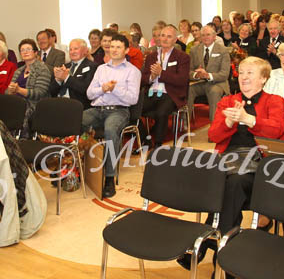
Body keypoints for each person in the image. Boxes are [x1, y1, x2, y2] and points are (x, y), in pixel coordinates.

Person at [177, 56, 284, 271]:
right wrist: (228, 121)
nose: (244, 77)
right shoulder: (228, 101)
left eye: (250, 73)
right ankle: (225, 259)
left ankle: (212, 245)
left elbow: (277, 130)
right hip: (230, 161)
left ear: (263, 78)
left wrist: (249, 119)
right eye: (242, 72)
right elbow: (214, 135)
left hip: (262, 165)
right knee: (230, 183)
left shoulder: (275, 101)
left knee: (232, 183)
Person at [82, 33, 141, 198]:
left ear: (126, 50)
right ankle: (76, 166)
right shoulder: (101, 69)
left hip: (119, 110)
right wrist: (103, 89)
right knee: (75, 121)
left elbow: (132, 98)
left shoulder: (132, 72)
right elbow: (89, 94)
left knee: (110, 130)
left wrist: (115, 89)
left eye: (118, 47)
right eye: (111, 46)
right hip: (98, 108)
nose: (114, 50)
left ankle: (109, 177)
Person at [141, 25, 190, 148]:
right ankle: (145, 140)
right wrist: (152, 77)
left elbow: (181, 80)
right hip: (152, 92)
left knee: (161, 112)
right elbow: (142, 79)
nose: (165, 39)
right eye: (163, 35)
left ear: (175, 40)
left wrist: (161, 73)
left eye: (169, 36)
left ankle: (158, 145)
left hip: (171, 94)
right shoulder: (151, 57)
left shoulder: (182, 57)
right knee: (132, 110)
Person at [187, 25, 232, 122]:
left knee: (214, 92)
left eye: (208, 35)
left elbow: (225, 74)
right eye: (203, 35)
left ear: (214, 36)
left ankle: (214, 126)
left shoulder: (223, 50)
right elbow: (188, 71)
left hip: (218, 83)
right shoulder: (194, 50)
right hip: (200, 83)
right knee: (188, 89)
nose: (205, 37)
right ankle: (184, 124)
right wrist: (196, 75)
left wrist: (208, 75)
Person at [7, 38, 51, 135]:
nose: (25, 52)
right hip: (17, 103)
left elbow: (39, 93)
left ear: (35, 52)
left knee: (21, 112)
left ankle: (22, 140)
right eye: (22, 50)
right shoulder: (18, 71)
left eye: (28, 49)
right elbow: (8, 91)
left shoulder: (42, 69)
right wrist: (10, 91)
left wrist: (18, 90)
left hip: (35, 105)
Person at [48, 38, 98, 109]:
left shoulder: (92, 67)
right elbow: (51, 91)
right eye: (70, 49)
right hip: (59, 103)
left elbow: (85, 89)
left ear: (85, 50)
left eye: (76, 49)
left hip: (77, 106)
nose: (72, 52)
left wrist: (66, 77)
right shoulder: (64, 66)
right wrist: (58, 80)